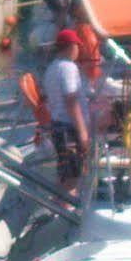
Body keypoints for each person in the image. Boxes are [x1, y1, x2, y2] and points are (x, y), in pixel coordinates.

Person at [40, 36, 91, 188]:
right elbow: (71, 100)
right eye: (77, 45)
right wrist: (82, 132)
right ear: (70, 46)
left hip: (58, 125)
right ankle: (66, 207)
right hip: (68, 128)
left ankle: (59, 205)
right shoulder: (68, 67)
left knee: (65, 174)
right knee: (72, 178)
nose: (79, 49)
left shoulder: (52, 68)